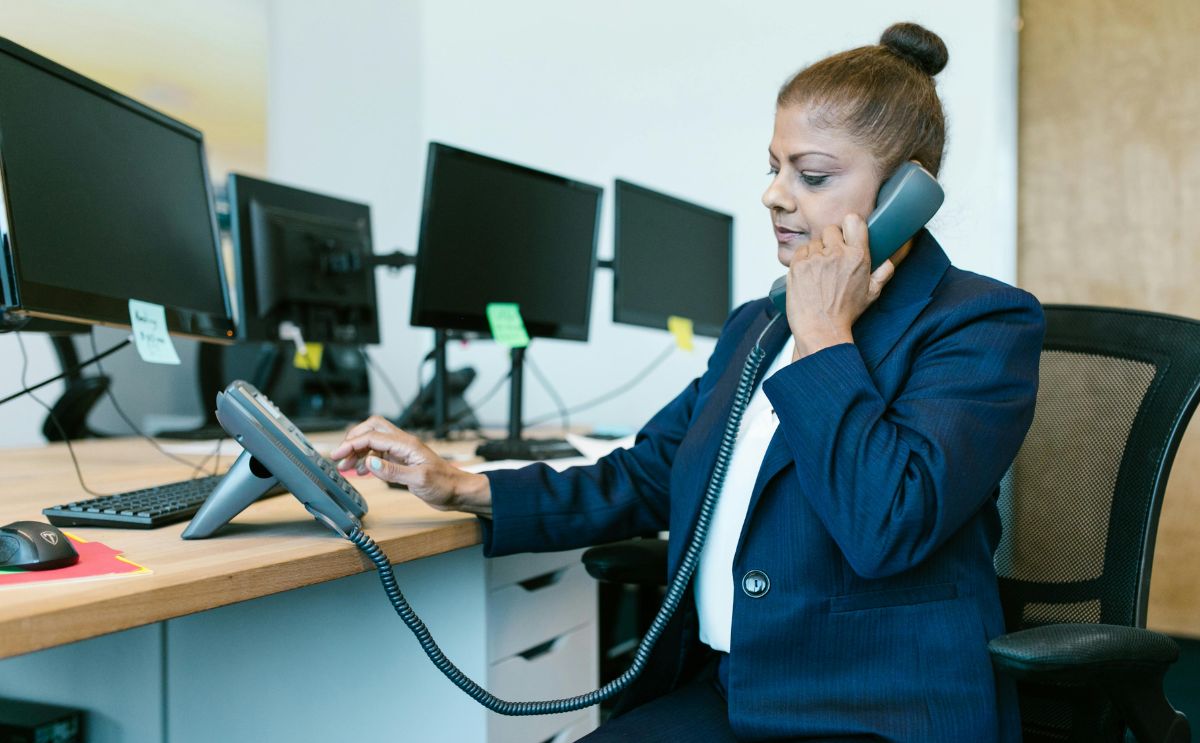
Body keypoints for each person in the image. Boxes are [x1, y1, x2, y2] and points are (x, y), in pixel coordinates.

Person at [332, 22, 1043, 743]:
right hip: (734, 694)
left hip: (876, 712)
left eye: (812, 175)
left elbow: (884, 526)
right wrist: (461, 484)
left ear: (906, 194)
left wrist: (825, 333)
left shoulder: (979, 323)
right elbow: (649, 473)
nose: (773, 194)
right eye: (772, 167)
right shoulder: (757, 325)